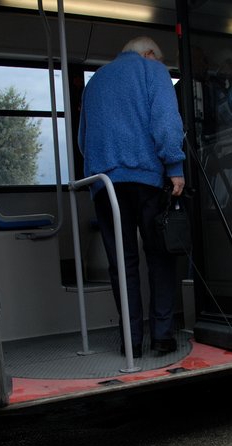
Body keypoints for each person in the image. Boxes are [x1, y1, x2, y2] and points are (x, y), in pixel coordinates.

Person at [78, 36, 186, 358]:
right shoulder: (153, 71)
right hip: (147, 178)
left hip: (105, 182)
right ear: (150, 54)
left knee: (121, 265)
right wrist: (174, 166)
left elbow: (83, 139)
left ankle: (131, 340)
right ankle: (163, 336)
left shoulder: (95, 81)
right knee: (159, 256)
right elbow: (166, 122)